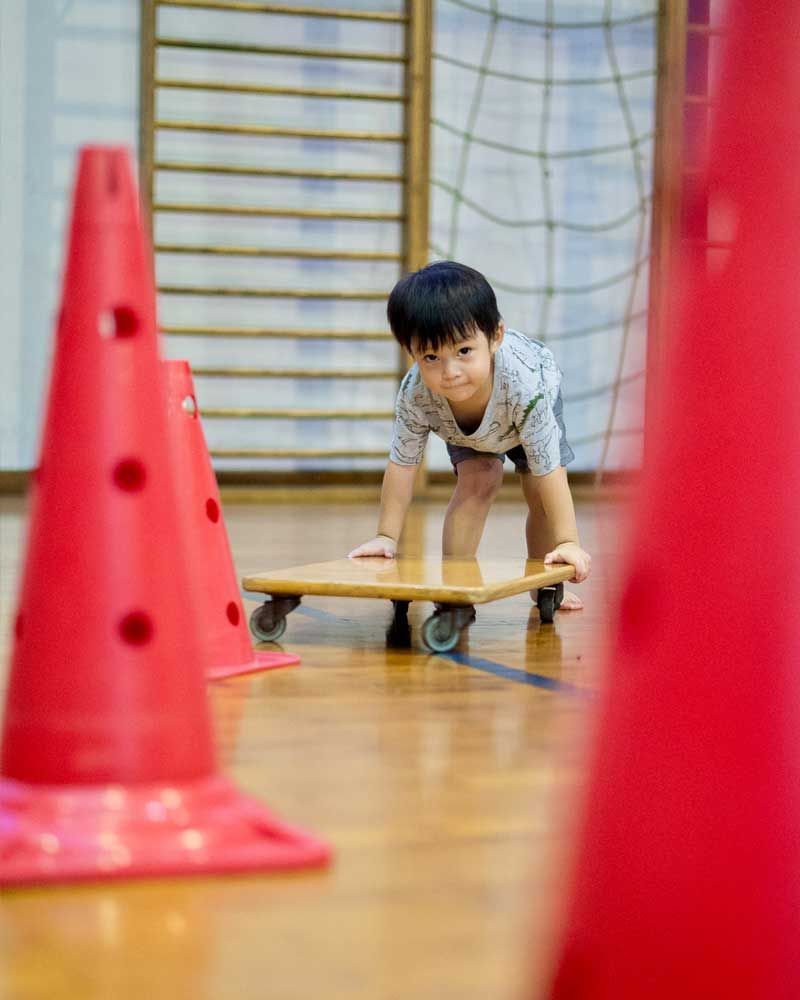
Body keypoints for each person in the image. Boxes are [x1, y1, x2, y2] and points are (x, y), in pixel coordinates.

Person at [348, 260, 591, 609]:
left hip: (524, 410)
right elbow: (402, 465)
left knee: (538, 491)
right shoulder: (417, 394)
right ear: (411, 353)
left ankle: (545, 583)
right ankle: (455, 587)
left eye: (464, 351)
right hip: (470, 429)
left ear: (495, 337)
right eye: (431, 356)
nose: (450, 372)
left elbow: (550, 472)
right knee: (478, 481)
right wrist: (386, 536)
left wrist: (568, 541)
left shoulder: (528, 387)